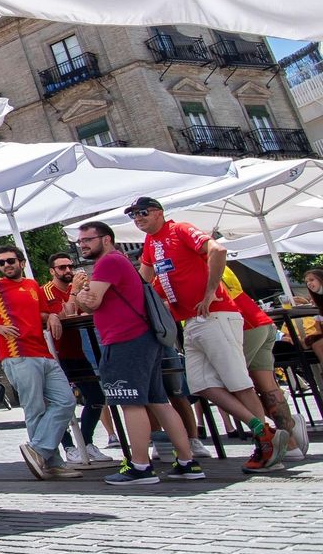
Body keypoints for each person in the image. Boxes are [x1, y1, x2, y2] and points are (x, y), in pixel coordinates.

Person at [127, 196, 289, 471]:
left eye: (142, 212)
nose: (138, 218)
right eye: (133, 215)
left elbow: (217, 251)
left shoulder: (179, 229)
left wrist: (210, 291)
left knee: (238, 382)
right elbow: (144, 283)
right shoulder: (150, 244)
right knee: (201, 385)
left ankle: (265, 443)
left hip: (215, 314)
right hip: (190, 321)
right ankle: (264, 431)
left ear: (159, 212)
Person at [68, 221, 206, 484]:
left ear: (106, 239)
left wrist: (80, 291)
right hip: (142, 338)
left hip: (125, 339)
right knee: (159, 401)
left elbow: (92, 302)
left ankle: (141, 466)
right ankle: (188, 461)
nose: (83, 245)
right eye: (80, 241)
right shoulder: (118, 262)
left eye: (88, 239)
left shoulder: (108, 263)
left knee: (130, 401)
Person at [0, 246, 78, 481]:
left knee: (66, 401)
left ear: (22, 263)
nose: (6, 265)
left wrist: (53, 315)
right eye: (2, 262)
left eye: (10, 261)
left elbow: (43, 314)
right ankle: (51, 461)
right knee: (35, 408)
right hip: (18, 354)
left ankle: (40, 452)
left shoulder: (32, 286)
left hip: (43, 352)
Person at [223, 267, 303, 460]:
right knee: (267, 384)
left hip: (242, 324)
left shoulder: (197, 260)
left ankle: (280, 434)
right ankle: (291, 443)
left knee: (230, 386)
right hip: (258, 320)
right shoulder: (217, 262)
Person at [45, 253, 111, 467]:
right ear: (52, 271)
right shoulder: (46, 292)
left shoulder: (79, 288)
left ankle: (86, 441)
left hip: (77, 352)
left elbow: (89, 310)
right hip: (55, 355)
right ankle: (69, 447)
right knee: (62, 402)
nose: (67, 270)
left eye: (70, 266)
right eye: (62, 267)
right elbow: (65, 316)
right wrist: (74, 291)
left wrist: (86, 292)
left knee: (97, 397)